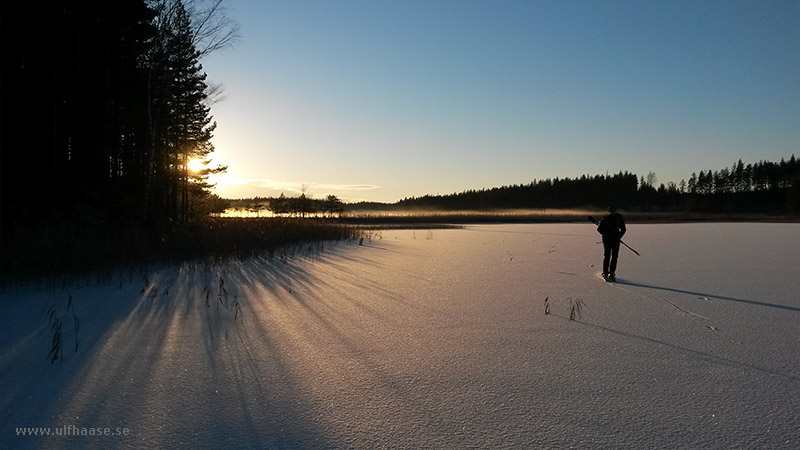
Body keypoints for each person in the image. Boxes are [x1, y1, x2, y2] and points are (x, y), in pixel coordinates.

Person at [597, 205, 626, 282]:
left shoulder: (619, 218)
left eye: (614, 210)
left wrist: (618, 236)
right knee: (607, 256)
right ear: (609, 211)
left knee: (615, 256)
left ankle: (612, 273)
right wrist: (606, 234)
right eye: (611, 211)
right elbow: (599, 229)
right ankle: (605, 273)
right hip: (607, 240)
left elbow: (623, 229)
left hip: (615, 240)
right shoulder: (605, 218)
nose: (613, 212)